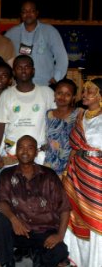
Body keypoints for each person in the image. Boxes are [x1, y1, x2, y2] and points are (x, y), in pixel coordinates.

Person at [0, 135, 71, 267]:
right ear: (16, 151)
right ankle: (7, 262)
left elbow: (64, 208)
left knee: (60, 252)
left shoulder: (49, 175)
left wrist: (59, 235)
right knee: (0, 220)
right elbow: (1, 201)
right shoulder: (7, 174)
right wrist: (13, 219)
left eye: (30, 148)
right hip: (20, 230)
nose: (25, 151)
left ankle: (38, 255)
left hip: (44, 230)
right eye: (21, 148)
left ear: (36, 152)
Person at [63, 78, 102, 267]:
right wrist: (67, 171)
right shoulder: (81, 115)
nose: (84, 95)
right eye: (84, 90)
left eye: (89, 91)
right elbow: (74, 146)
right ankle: (79, 259)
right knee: (75, 213)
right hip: (77, 171)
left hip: (97, 175)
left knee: (96, 214)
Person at [0, 55, 55, 169]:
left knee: (39, 186)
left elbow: (56, 120)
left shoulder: (47, 92)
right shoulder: (6, 95)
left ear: (33, 71)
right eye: (19, 67)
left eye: (27, 67)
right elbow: (0, 124)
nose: (23, 70)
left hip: (39, 153)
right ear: (14, 72)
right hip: (12, 152)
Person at [5, 1, 68, 86]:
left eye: (31, 11)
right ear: (21, 14)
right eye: (24, 11)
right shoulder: (11, 34)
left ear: (37, 13)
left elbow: (61, 57)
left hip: (45, 84)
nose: (28, 14)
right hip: (19, 86)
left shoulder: (50, 31)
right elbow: (4, 58)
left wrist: (56, 78)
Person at [43, 78, 82, 177]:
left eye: (67, 94)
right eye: (59, 93)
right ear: (54, 94)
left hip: (71, 165)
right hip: (49, 164)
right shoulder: (49, 114)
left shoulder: (79, 114)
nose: (62, 97)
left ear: (73, 97)